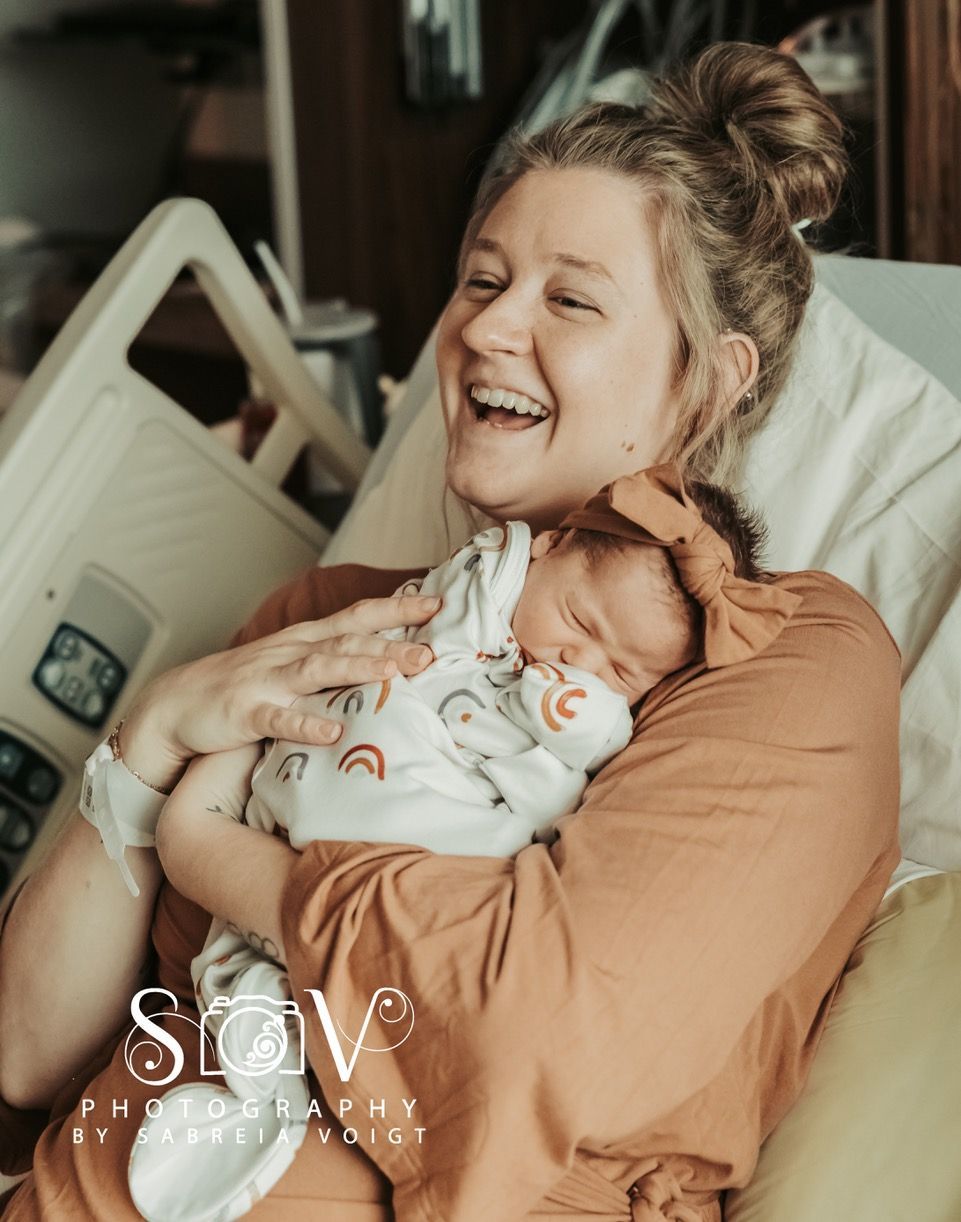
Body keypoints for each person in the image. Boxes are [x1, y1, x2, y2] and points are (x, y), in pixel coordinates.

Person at [0, 41, 900, 1222]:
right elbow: (25, 1056)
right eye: (481, 281)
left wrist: (229, 857)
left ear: (710, 380)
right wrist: (153, 732)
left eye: (569, 298)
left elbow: (530, 1028)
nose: (485, 329)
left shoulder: (783, 653)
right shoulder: (315, 622)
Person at [127, 464, 792, 1222]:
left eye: (623, 673)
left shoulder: (596, 719)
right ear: (546, 551)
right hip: (296, 813)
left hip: (405, 883)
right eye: (577, 621)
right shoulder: (468, 593)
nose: (579, 664)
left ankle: (261, 1128)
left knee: (327, 1041)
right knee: (243, 996)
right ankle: (246, 1109)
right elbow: (470, 588)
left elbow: (554, 806)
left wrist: (581, 722)